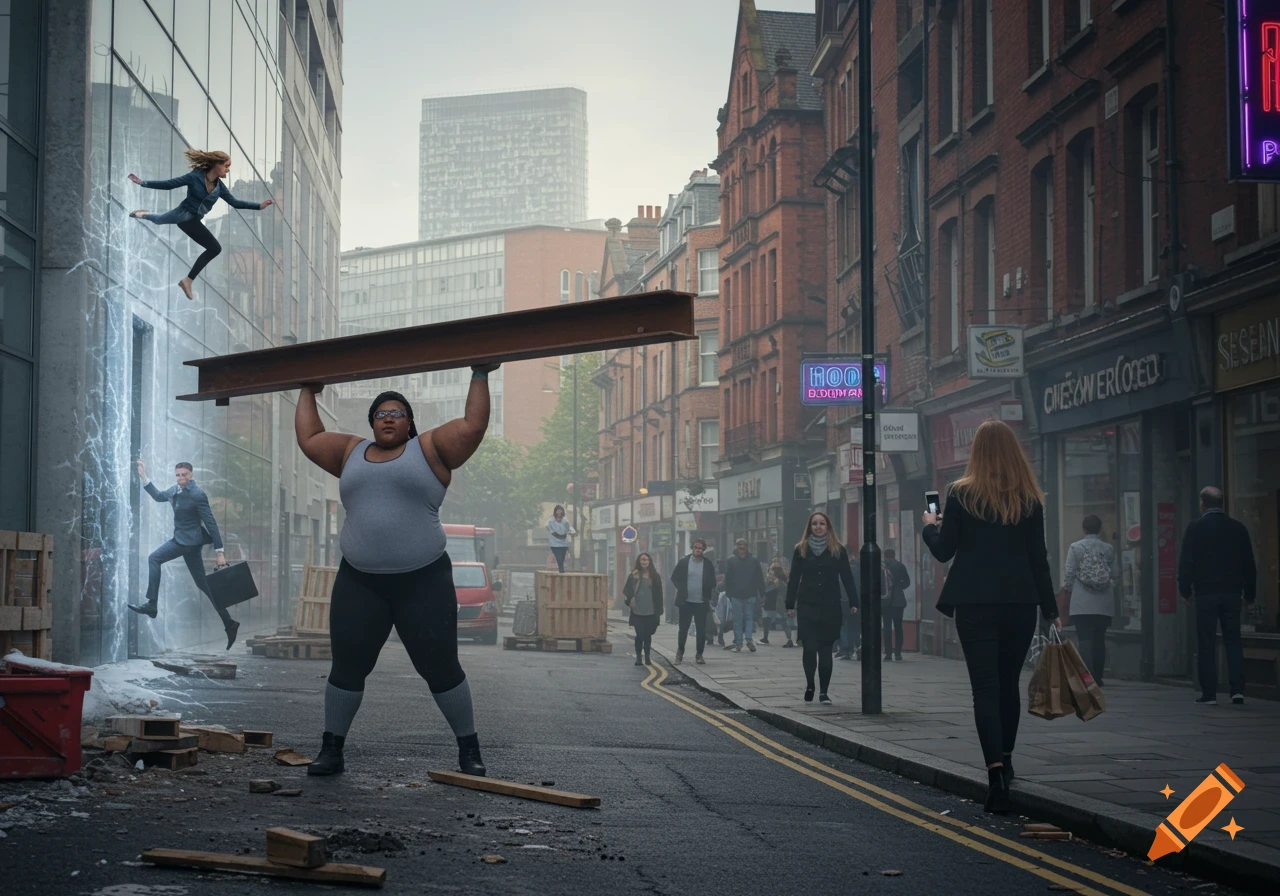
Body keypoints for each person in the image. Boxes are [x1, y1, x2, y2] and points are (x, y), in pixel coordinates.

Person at [294, 367, 499, 779]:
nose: (388, 418)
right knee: (346, 668)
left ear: (410, 422)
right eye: (381, 413)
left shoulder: (431, 449)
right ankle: (331, 750)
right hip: (360, 581)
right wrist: (307, 388)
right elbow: (310, 438)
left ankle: (469, 749)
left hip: (423, 581)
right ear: (372, 423)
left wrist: (479, 373)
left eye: (397, 413)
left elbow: (473, 425)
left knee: (441, 669)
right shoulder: (350, 451)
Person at [921, 420, 1059, 815]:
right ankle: (1008, 760)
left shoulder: (961, 494)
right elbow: (1039, 559)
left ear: (976, 451)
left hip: (974, 604)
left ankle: (995, 775)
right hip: (1020, 603)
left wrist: (930, 528)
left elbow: (944, 551)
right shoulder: (1029, 498)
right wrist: (1050, 610)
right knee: (1008, 685)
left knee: (984, 688)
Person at [129, 150, 273, 300]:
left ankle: (187, 280)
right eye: (226, 166)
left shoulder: (219, 187)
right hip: (183, 214)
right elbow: (170, 184)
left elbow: (235, 203)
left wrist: (259, 206)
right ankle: (142, 214)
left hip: (192, 221)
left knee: (214, 248)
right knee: (159, 220)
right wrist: (143, 183)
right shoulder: (195, 176)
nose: (227, 170)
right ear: (216, 164)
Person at [128, 459, 238, 649]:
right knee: (203, 584)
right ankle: (229, 623)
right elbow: (158, 496)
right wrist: (144, 476)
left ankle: (152, 604)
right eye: (178, 475)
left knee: (154, 558)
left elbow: (211, 523)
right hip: (188, 543)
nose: (180, 478)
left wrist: (219, 552)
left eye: (184, 475)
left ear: (191, 475)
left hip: (186, 542)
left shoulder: (197, 494)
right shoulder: (175, 490)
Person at [1177, 486, 1257, 706]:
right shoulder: (1238, 528)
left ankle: (1209, 693)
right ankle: (1237, 690)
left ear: (1202, 503)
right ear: (1222, 504)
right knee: (1233, 639)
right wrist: (1250, 594)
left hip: (1206, 593)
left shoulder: (1195, 528)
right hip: (1232, 593)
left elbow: (1186, 561)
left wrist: (1185, 590)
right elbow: (1249, 564)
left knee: (1206, 641)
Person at [785, 512, 858, 704]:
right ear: (809, 527)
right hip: (807, 605)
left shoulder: (838, 550)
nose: (818, 527)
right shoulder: (801, 549)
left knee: (825, 650)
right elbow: (794, 578)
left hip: (830, 605)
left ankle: (824, 692)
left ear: (828, 527)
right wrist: (789, 604)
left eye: (822, 523)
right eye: (815, 524)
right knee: (809, 648)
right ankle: (810, 685)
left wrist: (854, 601)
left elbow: (847, 577)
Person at [1061, 515, 1118, 686]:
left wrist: (1068, 590)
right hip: (1104, 602)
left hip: (1082, 601)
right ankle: (1098, 677)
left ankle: (1087, 677)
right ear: (1100, 529)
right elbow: (1115, 572)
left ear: (1083, 529)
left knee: (1085, 638)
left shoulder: (1075, 547)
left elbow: (1069, 574)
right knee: (1100, 639)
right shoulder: (1108, 548)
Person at [670, 538, 717, 664]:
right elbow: (674, 577)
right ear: (692, 548)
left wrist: (706, 590)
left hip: (701, 602)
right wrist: (681, 589)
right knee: (683, 629)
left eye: (700, 548)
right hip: (686, 602)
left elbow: (713, 582)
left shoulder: (707, 564)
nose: (697, 550)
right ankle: (680, 653)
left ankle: (699, 655)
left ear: (703, 550)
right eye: (696, 547)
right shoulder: (684, 562)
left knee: (701, 630)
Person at [723, 538, 766, 653]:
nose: (741, 547)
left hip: (750, 594)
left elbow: (759, 577)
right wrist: (728, 593)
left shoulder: (753, 560)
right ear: (736, 546)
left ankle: (747, 639)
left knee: (748, 618)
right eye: (739, 545)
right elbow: (728, 577)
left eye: (743, 545)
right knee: (740, 619)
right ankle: (739, 643)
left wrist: (762, 592)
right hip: (736, 595)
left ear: (747, 546)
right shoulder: (731, 560)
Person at [624, 553, 663, 666]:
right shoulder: (634, 575)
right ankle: (638, 657)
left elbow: (659, 594)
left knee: (648, 635)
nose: (644, 562)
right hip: (638, 610)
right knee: (639, 635)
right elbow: (626, 590)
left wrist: (659, 610)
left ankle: (647, 656)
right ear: (639, 561)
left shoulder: (655, 576)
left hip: (651, 610)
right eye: (642, 559)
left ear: (650, 561)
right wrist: (630, 599)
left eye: (646, 559)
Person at [882, 548, 911, 661]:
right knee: (898, 627)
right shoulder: (900, 566)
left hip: (885, 601)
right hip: (898, 601)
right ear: (894, 555)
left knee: (887, 627)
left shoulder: (881, 566)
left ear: (885, 556)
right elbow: (907, 582)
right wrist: (899, 587)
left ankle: (888, 654)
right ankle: (898, 653)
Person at [761, 558, 793, 647]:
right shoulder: (768, 582)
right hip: (769, 605)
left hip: (778, 606)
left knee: (783, 622)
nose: (768, 575)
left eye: (771, 574)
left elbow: (784, 593)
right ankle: (765, 637)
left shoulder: (780, 583)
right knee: (766, 621)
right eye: (768, 573)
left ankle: (789, 640)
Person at [545, 505, 575, 573]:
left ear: (562, 513)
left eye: (560, 512)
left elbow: (569, 528)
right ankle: (561, 571)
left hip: (563, 543)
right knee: (558, 558)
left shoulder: (565, 521)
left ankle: (561, 570)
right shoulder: (551, 521)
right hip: (554, 544)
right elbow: (548, 527)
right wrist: (557, 535)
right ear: (555, 512)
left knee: (562, 558)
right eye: (558, 512)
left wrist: (571, 532)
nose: (559, 514)